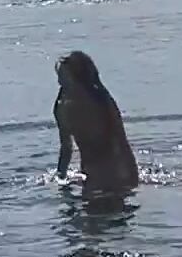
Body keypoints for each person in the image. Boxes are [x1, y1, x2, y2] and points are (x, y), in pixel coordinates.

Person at [54, 50, 139, 192]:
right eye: (59, 77)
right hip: (88, 171)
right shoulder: (61, 107)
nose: (59, 82)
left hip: (114, 170)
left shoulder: (102, 101)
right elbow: (66, 147)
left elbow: (122, 140)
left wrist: (133, 176)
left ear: (79, 78)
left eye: (64, 77)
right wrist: (61, 179)